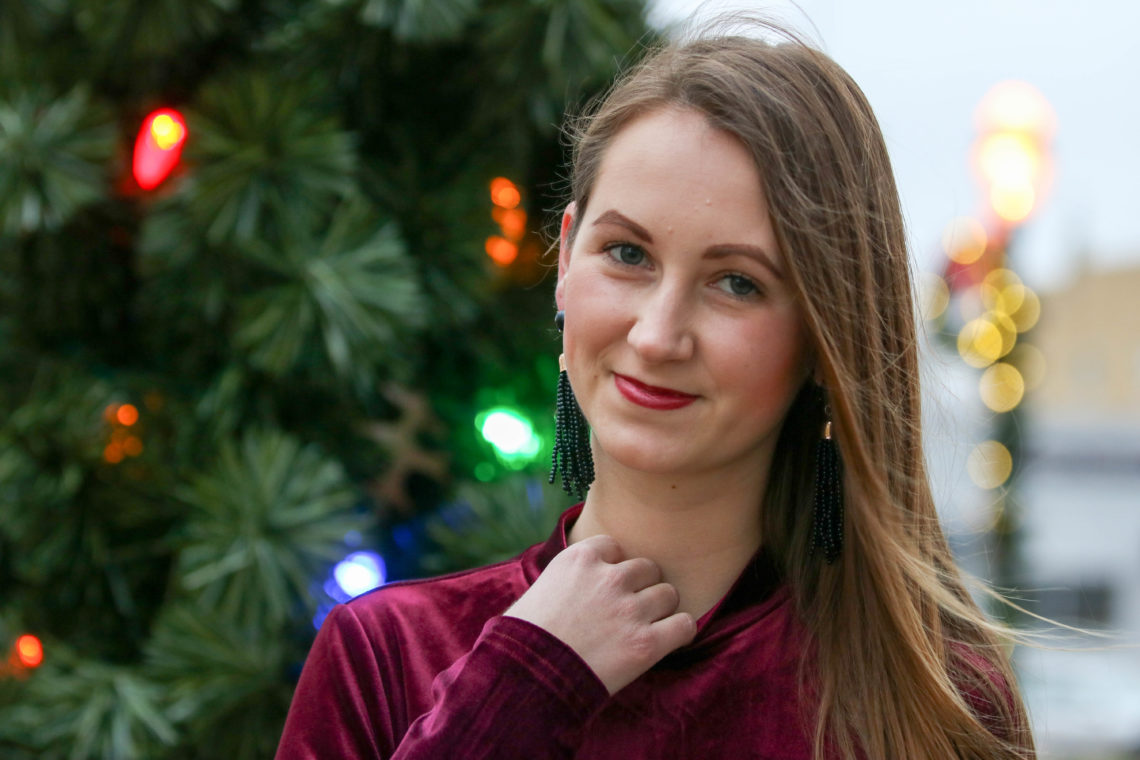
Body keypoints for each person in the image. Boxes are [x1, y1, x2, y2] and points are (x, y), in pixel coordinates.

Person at [274, 19, 1035, 760]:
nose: (656, 335)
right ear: (566, 259)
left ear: (821, 335)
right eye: (627, 253)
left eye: (736, 282)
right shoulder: (384, 660)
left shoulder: (938, 704)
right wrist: (524, 685)